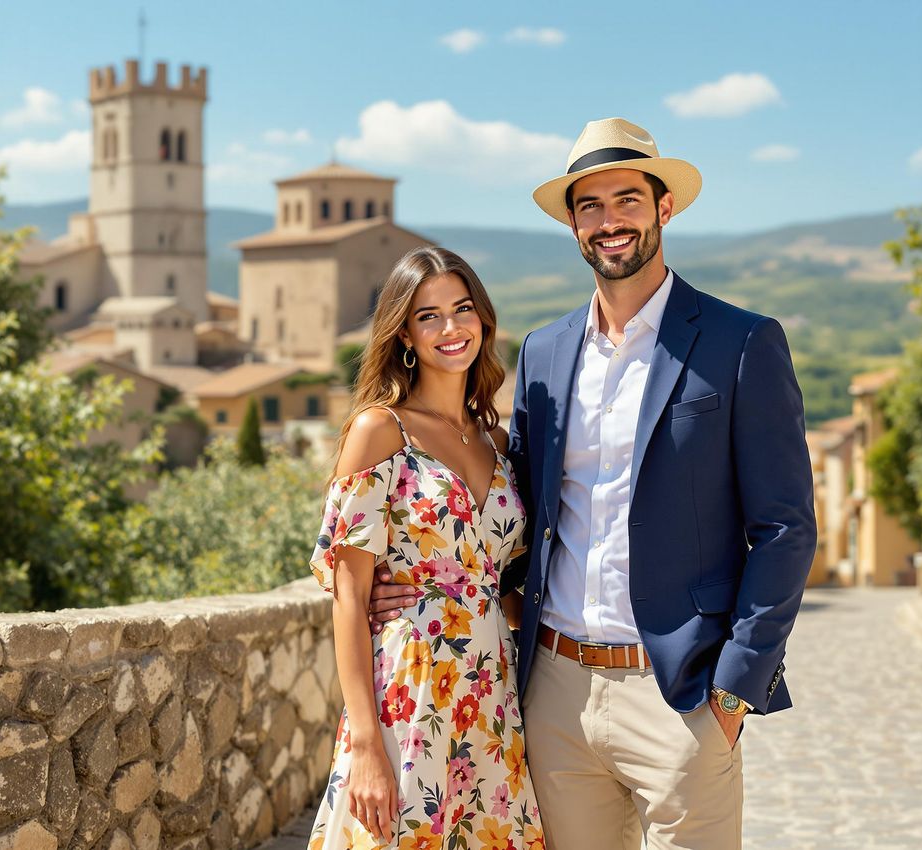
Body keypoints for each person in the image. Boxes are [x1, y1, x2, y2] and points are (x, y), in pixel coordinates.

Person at [370, 118, 817, 850]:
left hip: (681, 694)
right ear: (574, 224)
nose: (610, 221)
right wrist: (428, 584)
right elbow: (515, 511)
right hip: (556, 694)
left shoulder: (741, 342)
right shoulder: (543, 352)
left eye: (627, 200)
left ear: (663, 208)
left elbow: (785, 528)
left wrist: (736, 689)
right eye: (590, 206)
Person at [308, 246, 544, 850]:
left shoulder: (496, 440)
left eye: (462, 309)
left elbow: (502, 580)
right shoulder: (379, 431)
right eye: (428, 316)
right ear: (405, 334)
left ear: (483, 321)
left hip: (492, 695)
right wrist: (365, 743)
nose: (450, 328)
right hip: (411, 691)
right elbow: (348, 594)